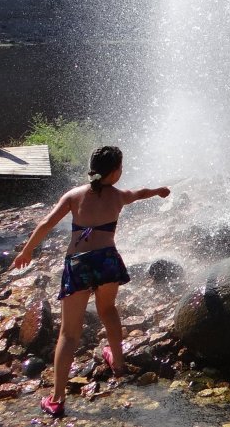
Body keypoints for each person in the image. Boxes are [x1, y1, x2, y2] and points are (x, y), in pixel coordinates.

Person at [13, 145, 170, 418]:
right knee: (108, 310)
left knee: (69, 333)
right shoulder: (119, 196)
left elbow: (47, 223)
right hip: (107, 260)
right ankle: (118, 364)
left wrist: (26, 251)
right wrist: (159, 191)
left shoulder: (74, 195)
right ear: (116, 172)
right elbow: (140, 192)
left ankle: (57, 399)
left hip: (79, 263)